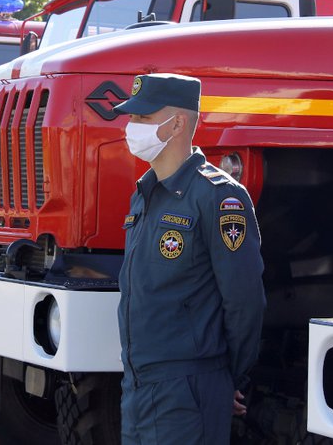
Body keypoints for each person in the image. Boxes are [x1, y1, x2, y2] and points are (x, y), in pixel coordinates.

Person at [114, 73, 266, 444]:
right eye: (131, 118)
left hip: (187, 388)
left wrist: (227, 378)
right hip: (137, 385)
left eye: (143, 119)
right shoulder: (145, 194)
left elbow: (244, 302)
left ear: (178, 123)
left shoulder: (218, 196)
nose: (131, 128)